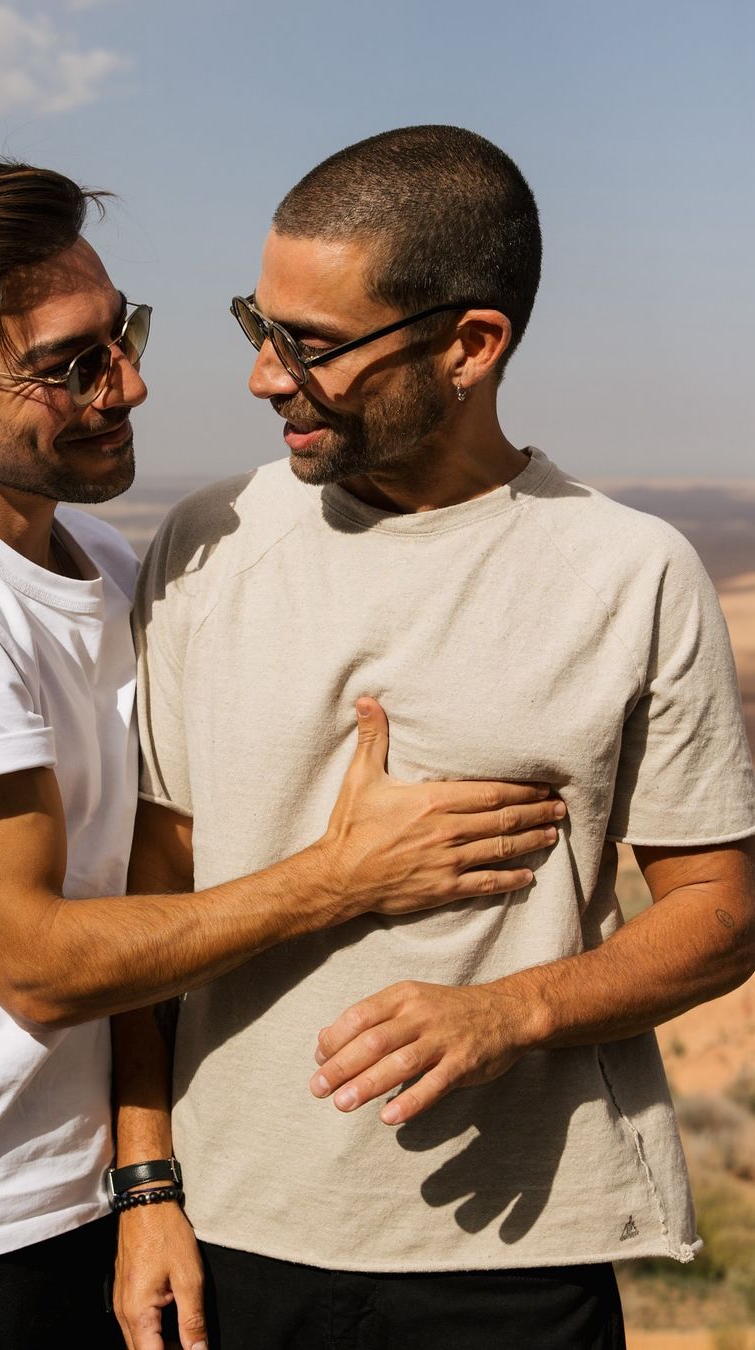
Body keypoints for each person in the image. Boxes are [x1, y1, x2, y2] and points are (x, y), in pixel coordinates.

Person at [0, 157, 563, 1350]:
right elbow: (38, 963)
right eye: (68, 366)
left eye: (120, 335)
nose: (128, 384)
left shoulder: (94, 554)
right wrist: (346, 875)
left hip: (79, 1188)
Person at [115, 125, 755, 1350]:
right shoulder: (205, 542)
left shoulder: (633, 574)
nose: (260, 377)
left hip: (516, 1257)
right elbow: (150, 907)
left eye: (308, 347)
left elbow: (722, 914)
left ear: (470, 345)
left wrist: (510, 1012)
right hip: (231, 1242)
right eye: (259, 326)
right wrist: (146, 1186)